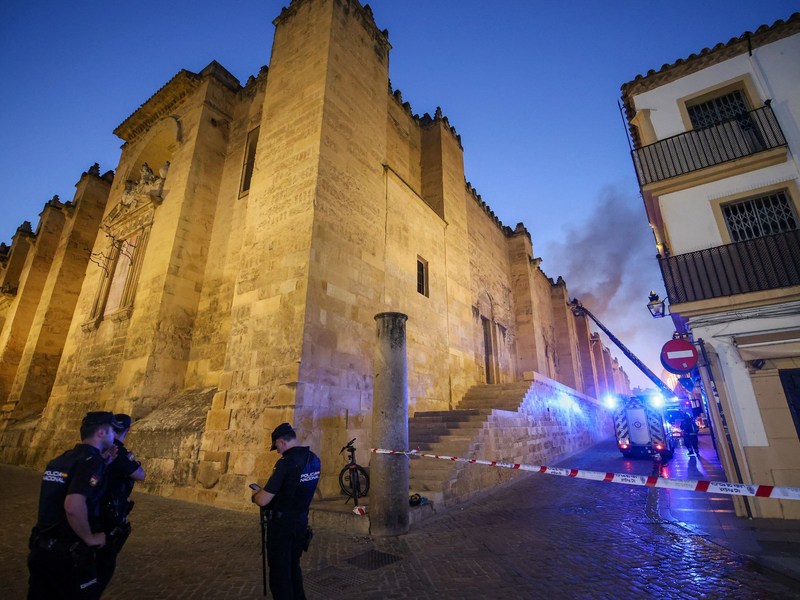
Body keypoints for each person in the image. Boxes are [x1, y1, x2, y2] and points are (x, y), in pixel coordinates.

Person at [27, 411, 125, 600]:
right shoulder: (91, 463)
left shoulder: (62, 460)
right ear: (101, 433)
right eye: (112, 431)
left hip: (41, 550)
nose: (115, 436)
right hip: (67, 556)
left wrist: (103, 462)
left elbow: (74, 480)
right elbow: (73, 505)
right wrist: (90, 537)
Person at [252, 423, 321, 600]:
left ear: (281, 442)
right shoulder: (313, 459)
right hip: (300, 523)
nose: (278, 451)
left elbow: (264, 500)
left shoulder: (285, 463)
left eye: (277, 447)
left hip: (282, 526)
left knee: (279, 573)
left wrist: (256, 495)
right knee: (293, 566)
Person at [97, 413, 146, 592]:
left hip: (93, 510)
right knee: (103, 566)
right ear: (128, 429)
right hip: (110, 512)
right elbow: (139, 474)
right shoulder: (119, 452)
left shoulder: (98, 449)